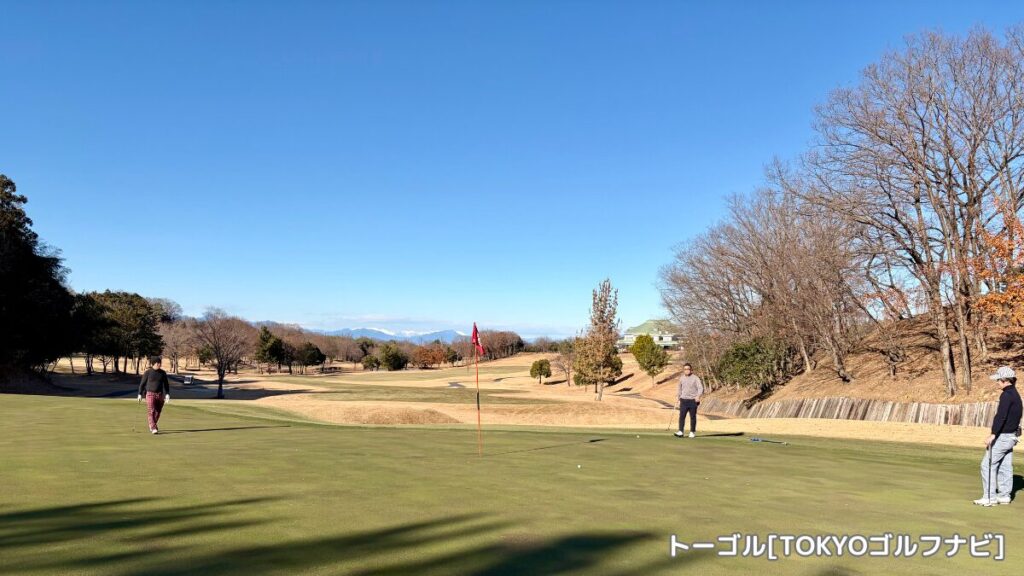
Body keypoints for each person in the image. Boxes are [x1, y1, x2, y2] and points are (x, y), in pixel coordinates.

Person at [976, 366, 1022, 506]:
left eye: (998, 380)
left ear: (1005, 380)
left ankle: (989, 497)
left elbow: (1001, 416)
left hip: (1003, 437)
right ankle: (1004, 495)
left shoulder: (1006, 395)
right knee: (1004, 466)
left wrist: (993, 434)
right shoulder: (1015, 394)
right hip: (1011, 436)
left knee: (987, 465)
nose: (997, 382)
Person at [137, 357, 171, 434]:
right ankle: (153, 427)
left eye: (160, 363)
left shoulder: (163, 373)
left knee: (158, 412)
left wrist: (167, 394)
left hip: (160, 394)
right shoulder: (148, 372)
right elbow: (142, 384)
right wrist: (139, 394)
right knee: (151, 410)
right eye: (157, 363)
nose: (159, 364)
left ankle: (152, 424)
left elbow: (166, 384)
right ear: (153, 364)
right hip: (150, 394)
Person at [674, 363, 703, 438]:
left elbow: (700, 388)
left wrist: (698, 396)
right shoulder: (681, 378)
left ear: (691, 370)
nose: (687, 370)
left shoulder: (695, 378)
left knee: (692, 417)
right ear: (684, 370)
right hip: (683, 400)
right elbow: (679, 388)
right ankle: (680, 431)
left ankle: (692, 432)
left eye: (688, 369)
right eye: (685, 369)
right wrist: (677, 397)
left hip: (693, 400)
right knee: (682, 416)